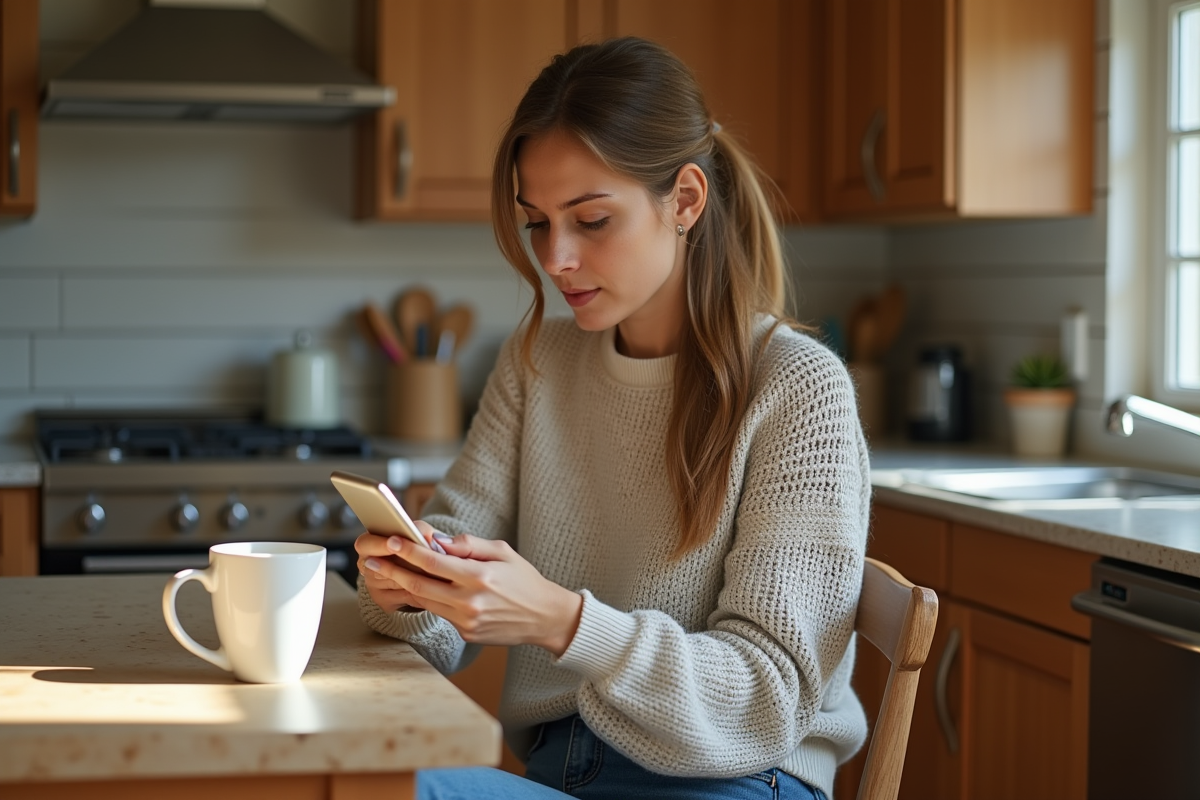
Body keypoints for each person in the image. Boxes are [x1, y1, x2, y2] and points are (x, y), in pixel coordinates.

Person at [355, 36, 870, 800]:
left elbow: (766, 698)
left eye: (591, 219)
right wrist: (406, 586)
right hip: (564, 773)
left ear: (686, 201)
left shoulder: (798, 388)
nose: (555, 257)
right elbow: (441, 620)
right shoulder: (536, 365)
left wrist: (562, 622)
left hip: (735, 780)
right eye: (537, 223)